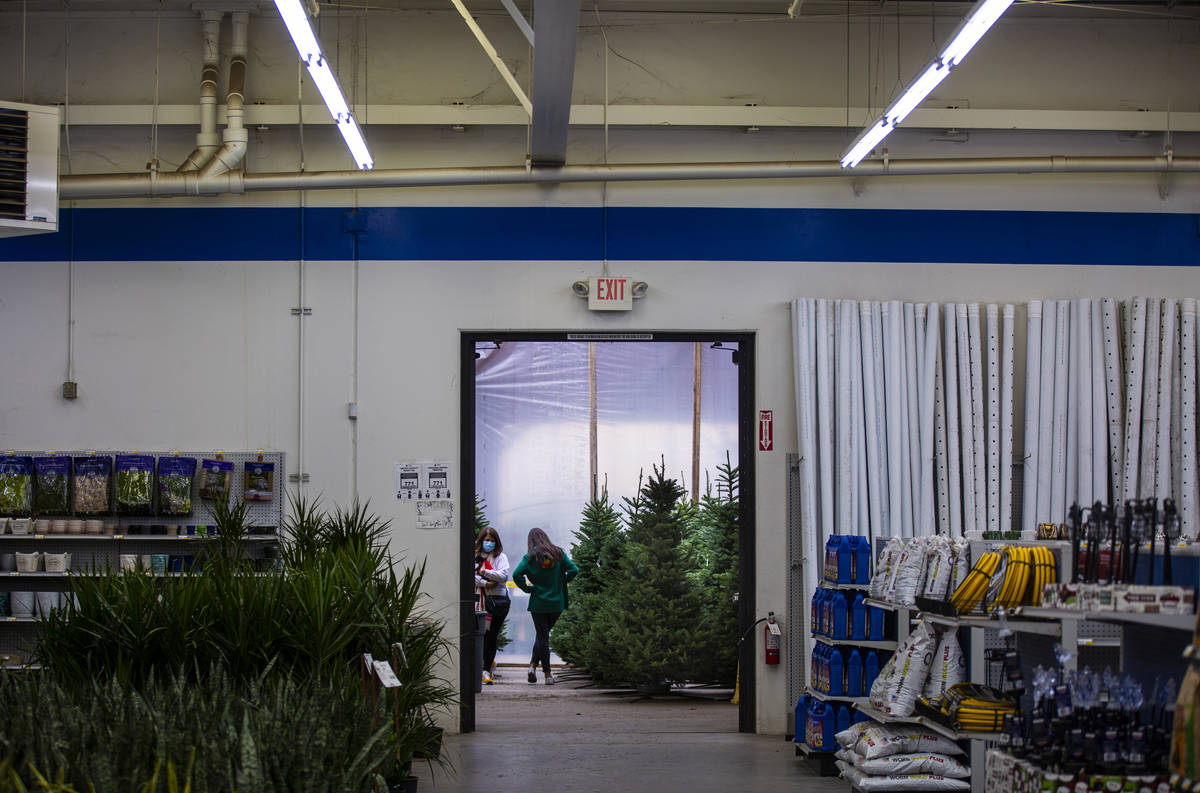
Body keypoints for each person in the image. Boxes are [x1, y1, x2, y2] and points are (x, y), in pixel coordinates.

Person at [511, 527, 578, 685]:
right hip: (557, 603)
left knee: (542, 636)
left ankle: (544, 673)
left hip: (538, 603)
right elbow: (574, 570)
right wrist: (562, 582)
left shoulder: (529, 558)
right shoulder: (558, 554)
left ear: (531, 541)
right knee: (543, 636)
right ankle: (535, 668)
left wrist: (528, 588)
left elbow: (516, 575)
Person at [474, 526, 511, 686]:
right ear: (480, 541)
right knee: (481, 635)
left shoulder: (500, 557)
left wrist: (484, 573)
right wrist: (486, 583)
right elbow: (469, 575)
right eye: (486, 540)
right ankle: (484, 666)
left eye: (492, 541)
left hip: (498, 603)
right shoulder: (475, 556)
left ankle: (486, 669)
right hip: (480, 601)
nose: (488, 543)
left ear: (496, 542)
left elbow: (504, 575)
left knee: (491, 636)